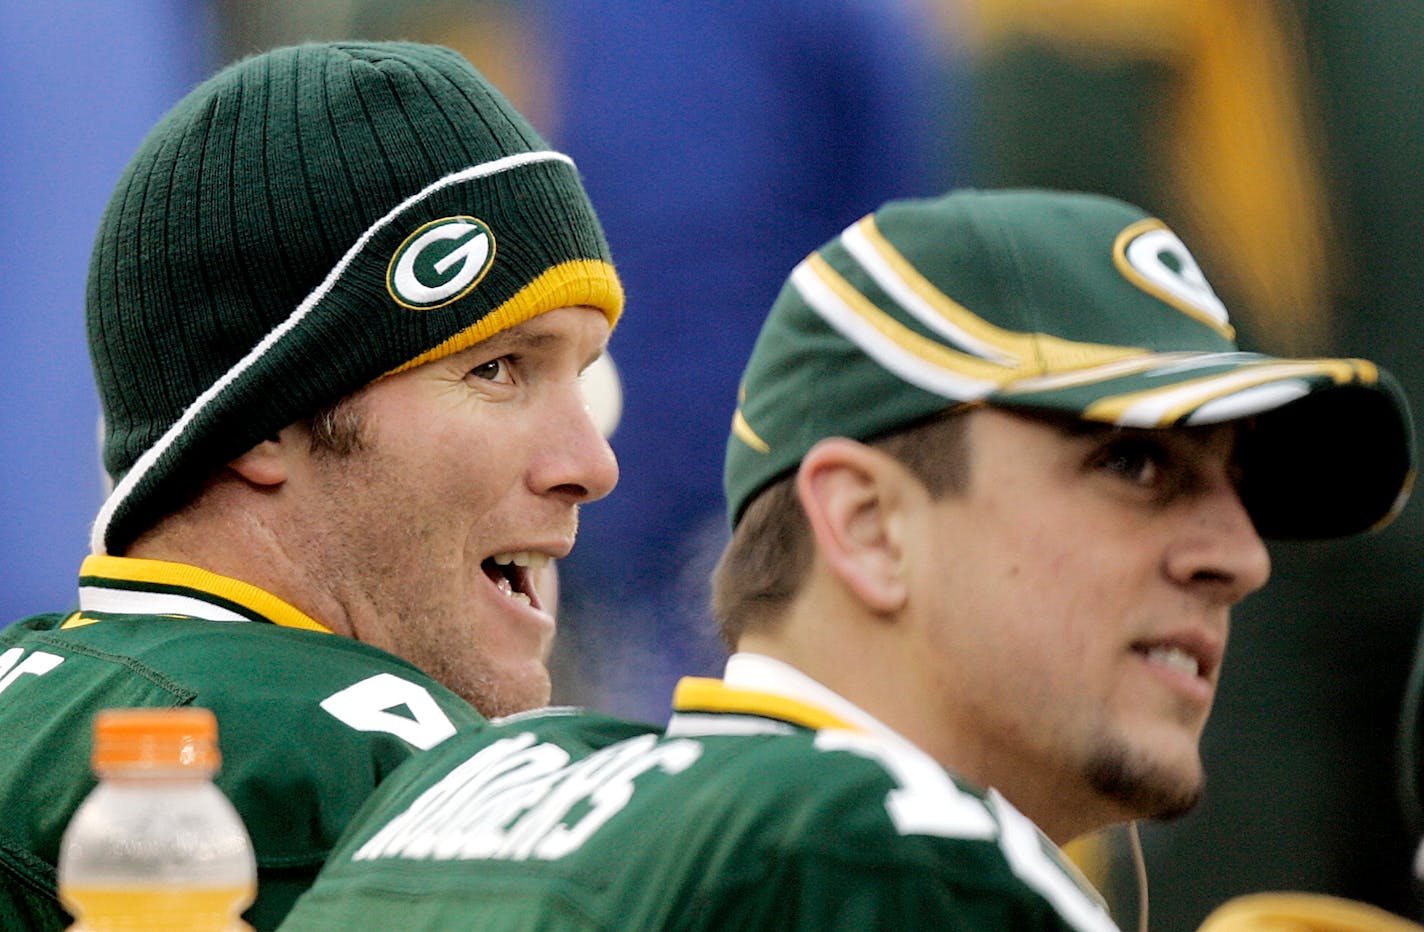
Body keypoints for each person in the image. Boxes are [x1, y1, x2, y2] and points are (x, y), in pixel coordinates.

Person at [276, 189, 1414, 930]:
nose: (1236, 556)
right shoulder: (905, 863)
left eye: (1236, 486)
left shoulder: (471, 783)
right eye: (1134, 467)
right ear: (866, 525)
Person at [0, 40, 624, 931]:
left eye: (583, 373)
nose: (592, 465)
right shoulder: (336, 763)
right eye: (496, 369)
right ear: (261, 422)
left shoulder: (35, 691)